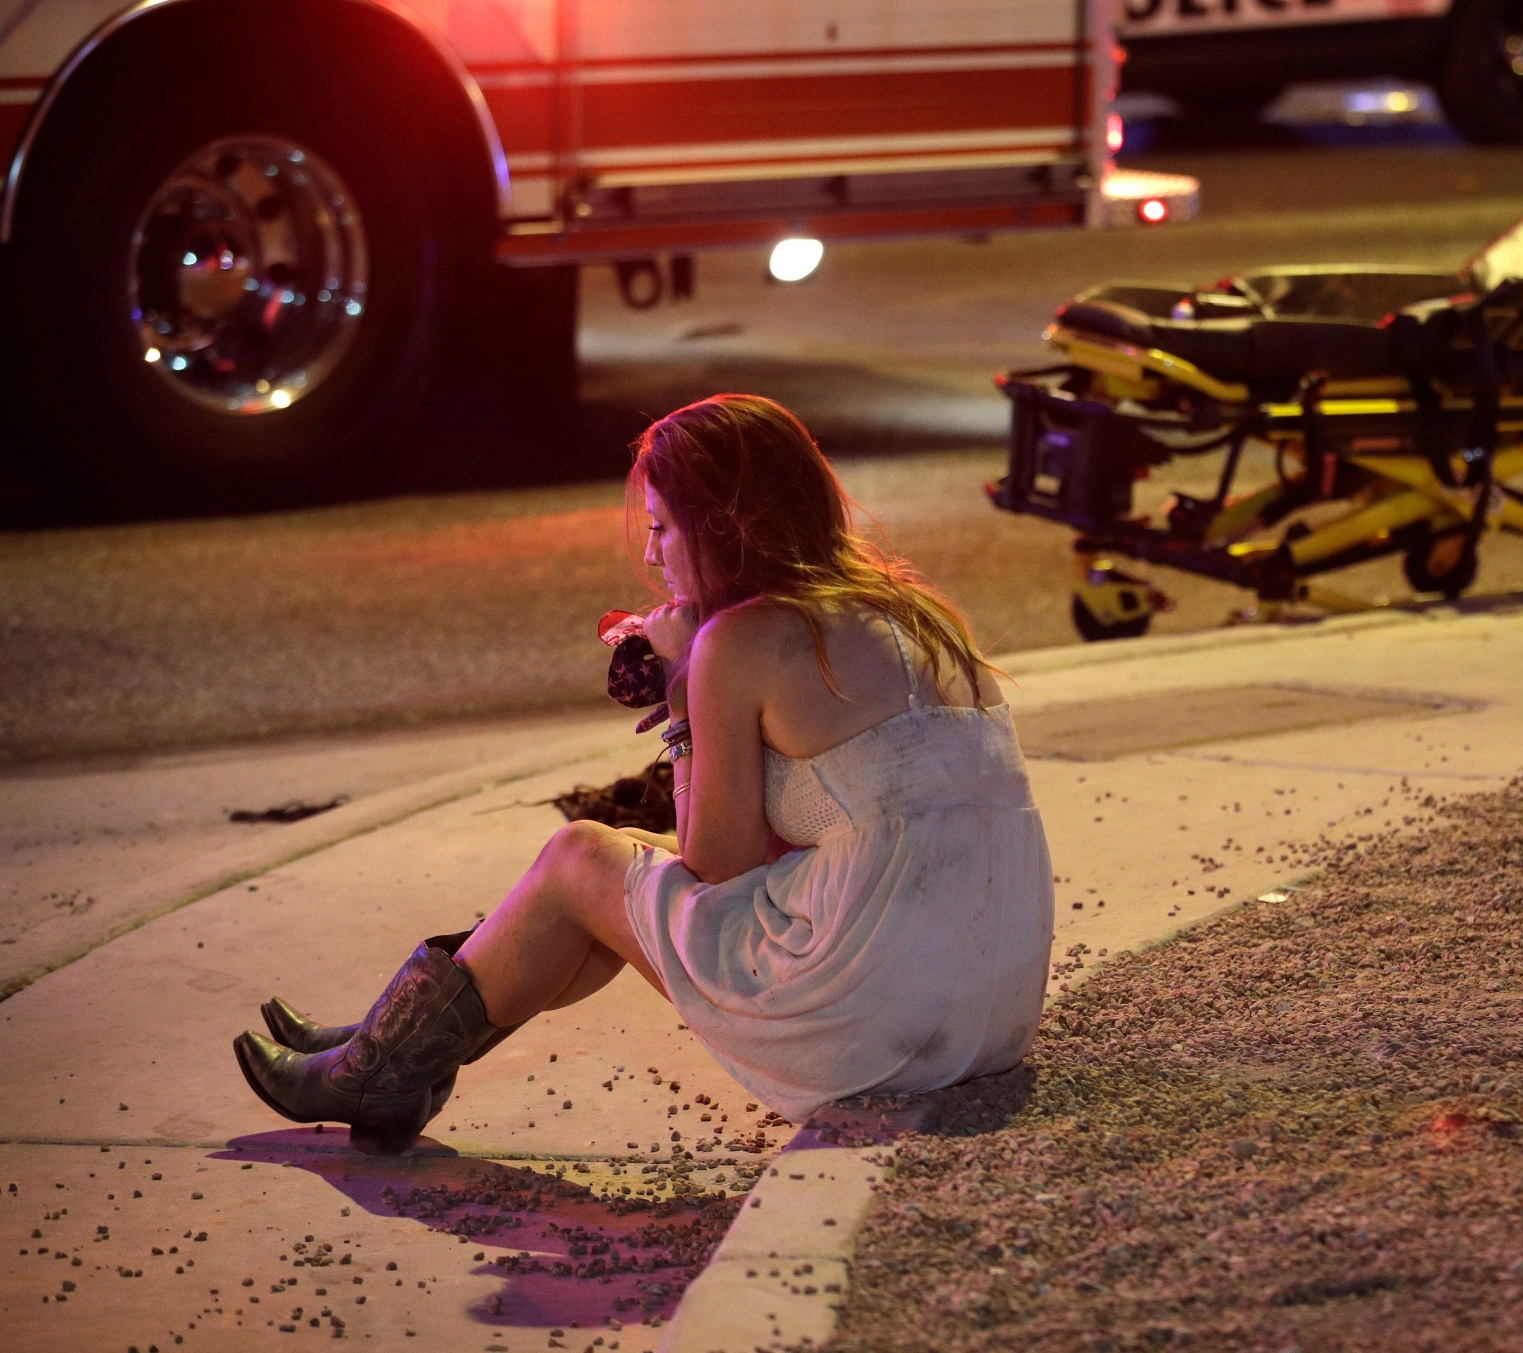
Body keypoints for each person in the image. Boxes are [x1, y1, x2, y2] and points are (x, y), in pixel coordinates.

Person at [233, 394, 1056, 1154]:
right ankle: (383, 1055)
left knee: (581, 859)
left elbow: (715, 871)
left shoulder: (740, 643)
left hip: (874, 1021)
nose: (651, 552)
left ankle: (380, 1065)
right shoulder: (916, 613)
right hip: (990, 1011)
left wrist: (683, 690)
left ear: (726, 523)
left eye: (663, 527)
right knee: (612, 874)